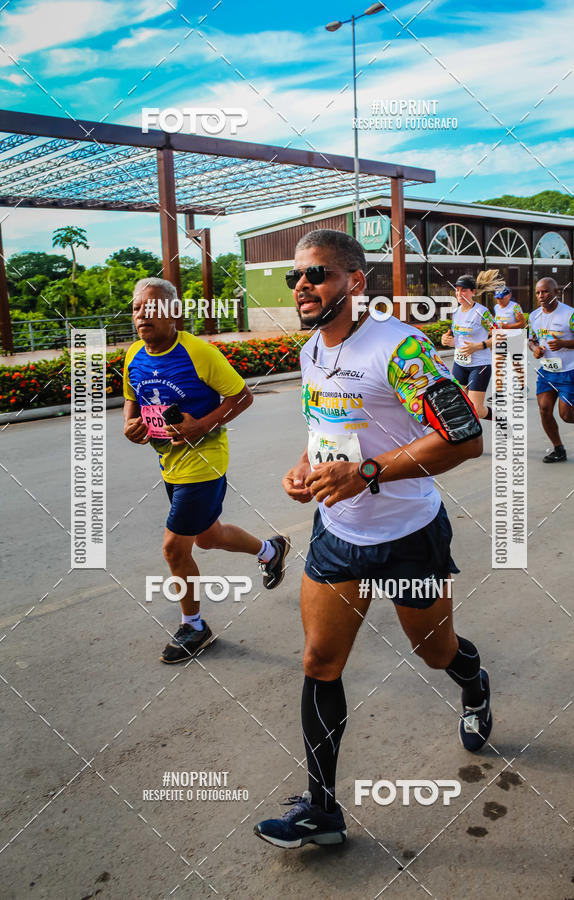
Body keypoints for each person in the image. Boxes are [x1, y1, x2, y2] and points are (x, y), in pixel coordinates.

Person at [253, 230, 488, 849]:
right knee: (319, 662)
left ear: (355, 281)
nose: (302, 286)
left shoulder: (399, 347)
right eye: (296, 277)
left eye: (318, 274)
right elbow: (324, 425)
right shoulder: (312, 349)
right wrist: (305, 467)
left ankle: (474, 685)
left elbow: (465, 438)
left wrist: (367, 473)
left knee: (435, 652)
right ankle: (322, 811)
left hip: (409, 535)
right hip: (338, 534)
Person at [123, 277, 290, 663]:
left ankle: (194, 626)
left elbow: (242, 397)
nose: (142, 315)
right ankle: (270, 550)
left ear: (174, 313)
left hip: (204, 463)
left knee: (173, 548)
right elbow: (132, 398)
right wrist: (130, 425)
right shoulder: (134, 355)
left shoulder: (198, 353)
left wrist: (202, 425)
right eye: (136, 308)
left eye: (152, 308)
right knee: (208, 537)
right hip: (169, 463)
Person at [528, 277, 574, 462]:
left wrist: (563, 344)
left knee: (566, 415)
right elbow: (532, 340)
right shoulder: (534, 316)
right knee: (544, 410)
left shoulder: (569, 315)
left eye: (545, 291)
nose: (541, 296)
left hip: (570, 371)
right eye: (538, 292)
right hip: (547, 371)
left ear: (556, 292)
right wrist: (535, 349)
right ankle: (558, 449)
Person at [440, 271, 504, 419]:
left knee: (477, 410)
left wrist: (478, 346)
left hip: (479, 365)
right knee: (459, 406)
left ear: (473, 292)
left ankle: (502, 419)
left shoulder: (482, 312)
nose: (459, 293)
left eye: (464, 290)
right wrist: (446, 340)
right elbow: (456, 338)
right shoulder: (456, 312)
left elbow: (500, 336)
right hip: (459, 364)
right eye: (457, 290)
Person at [493, 286, 526, 391]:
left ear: (509, 296)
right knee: (498, 364)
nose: (499, 300)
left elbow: (522, 323)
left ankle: (522, 386)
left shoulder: (515, 307)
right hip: (501, 338)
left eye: (501, 297)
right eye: (497, 298)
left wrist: (507, 326)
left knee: (516, 364)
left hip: (515, 338)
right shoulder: (496, 307)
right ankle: (499, 391)